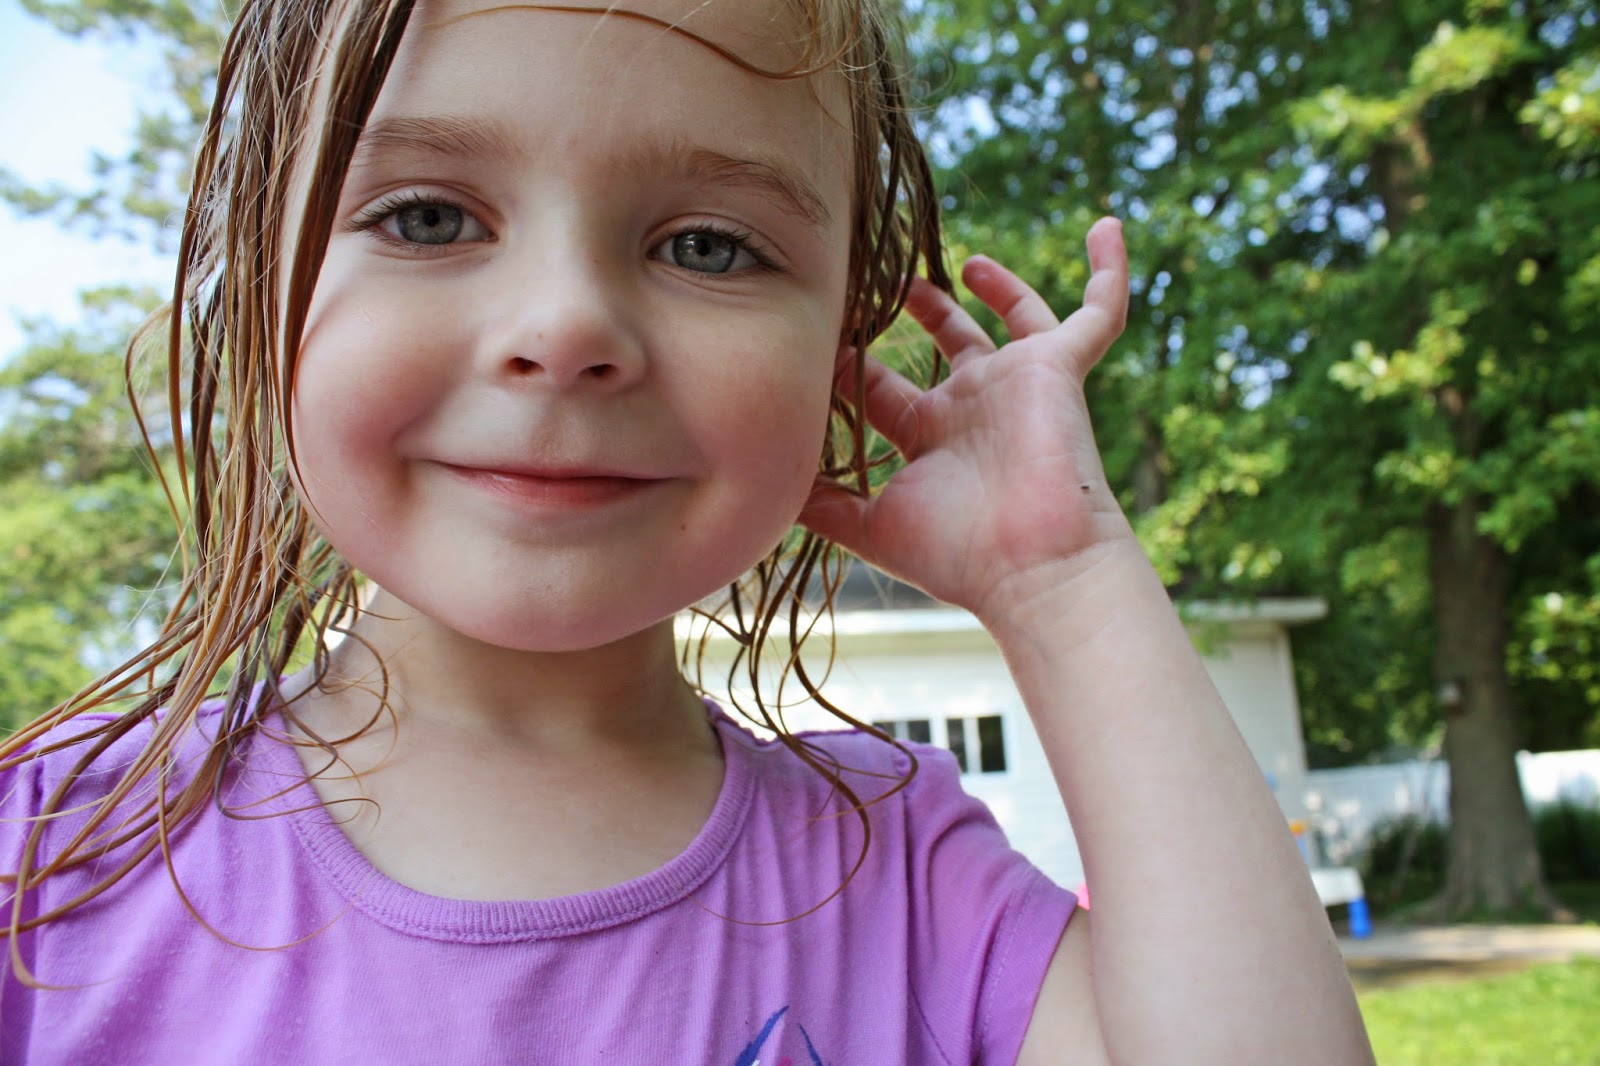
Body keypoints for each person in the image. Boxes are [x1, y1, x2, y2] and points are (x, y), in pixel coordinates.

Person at [0, 0, 1375, 1062]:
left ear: (841, 342)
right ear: (263, 286)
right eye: (427, 216)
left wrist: (1062, 580)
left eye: (708, 245)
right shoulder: (53, 851)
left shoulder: (898, 875)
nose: (564, 326)